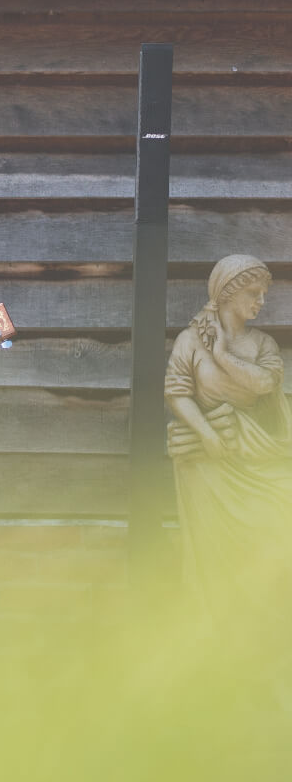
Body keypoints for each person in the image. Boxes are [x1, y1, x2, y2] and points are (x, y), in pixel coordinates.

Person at [166, 254, 292, 704]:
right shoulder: (186, 342)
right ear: (226, 296)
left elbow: (264, 384)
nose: (260, 302)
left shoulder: (260, 345)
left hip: (255, 458)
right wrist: (205, 434)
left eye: (263, 295)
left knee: (283, 506)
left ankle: (265, 636)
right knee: (214, 558)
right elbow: (177, 391)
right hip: (207, 464)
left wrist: (220, 352)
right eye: (252, 294)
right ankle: (215, 642)